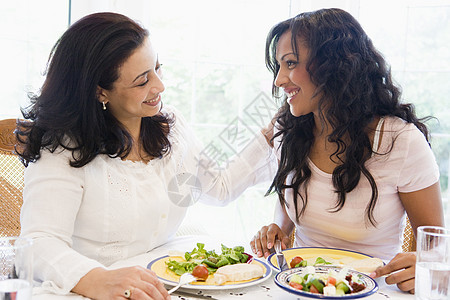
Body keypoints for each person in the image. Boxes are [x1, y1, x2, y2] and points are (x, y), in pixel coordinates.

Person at [16, 12, 276, 299]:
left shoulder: (169, 127)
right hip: (87, 289)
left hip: (159, 285)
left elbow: (218, 188)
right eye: (142, 81)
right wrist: (98, 280)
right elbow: (38, 244)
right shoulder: (64, 146)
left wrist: (268, 138)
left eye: (157, 68)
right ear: (100, 92)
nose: (159, 86)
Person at [250, 8, 444, 294]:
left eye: (290, 63)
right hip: (296, 287)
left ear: (334, 66)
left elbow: (435, 245)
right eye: (278, 66)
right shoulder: (289, 131)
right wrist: (280, 227)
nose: (279, 80)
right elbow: (293, 195)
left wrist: (426, 267)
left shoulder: (401, 141)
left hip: (373, 290)